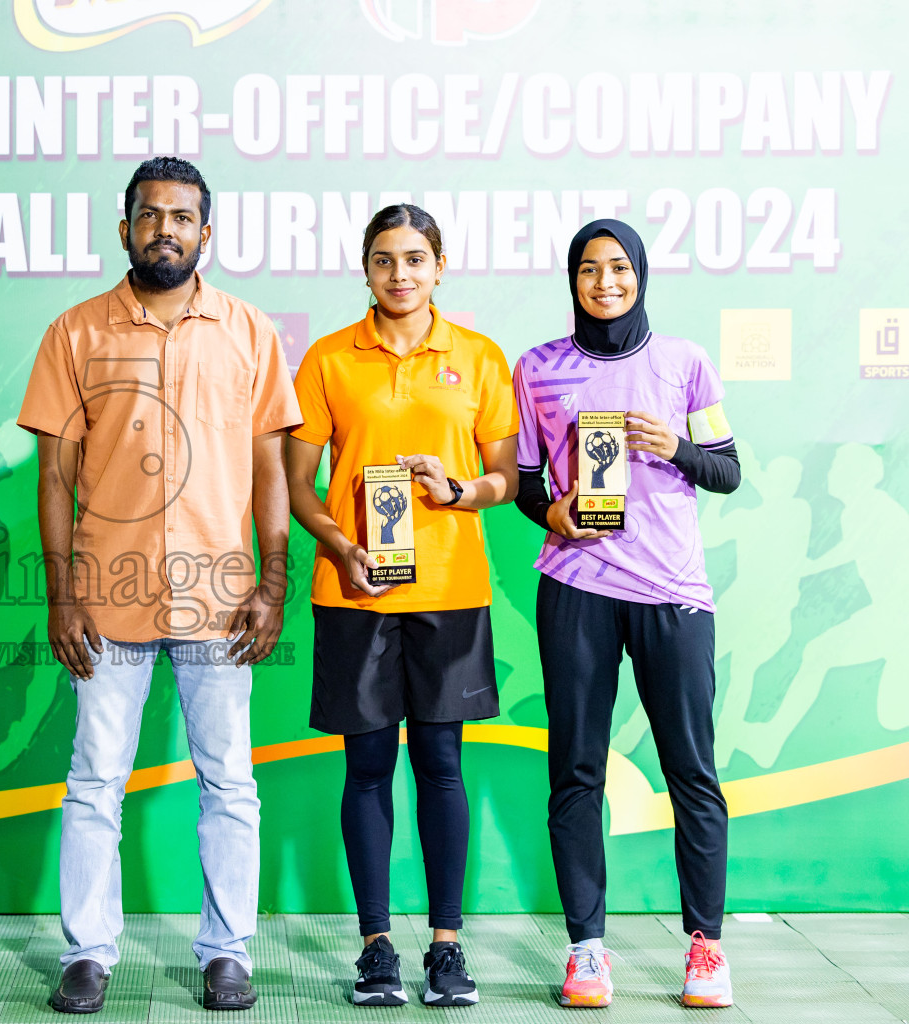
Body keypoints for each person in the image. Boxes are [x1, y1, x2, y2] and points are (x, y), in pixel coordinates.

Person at [17, 156, 301, 1013]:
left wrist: (273, 581)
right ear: (125, 227)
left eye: (182, 217)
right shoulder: (76, 333)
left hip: (222, 595)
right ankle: (89, 953)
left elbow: (270, 470)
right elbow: (53, 478)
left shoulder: (250, 331)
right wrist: (63, 596)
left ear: (206, 233)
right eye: (150, 215)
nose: (165, 229)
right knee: (95, 780)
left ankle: (228, 952)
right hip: (107, 596)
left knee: (229, 781)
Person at [285, 204, 519, 1008]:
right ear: (366, 269)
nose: (401, 274)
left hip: (451, 590)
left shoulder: (481, 358)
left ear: (440, 267)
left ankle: (446, 948)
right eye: (385, 260)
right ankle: (377, 945)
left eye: (415, 259)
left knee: (443, 767)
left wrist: (458, 491)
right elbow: (298, 489)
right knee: (368, 768)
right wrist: (338, 544)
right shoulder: (327, 359)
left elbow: (505, 480)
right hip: (355, 593)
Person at [512, 219, 741, 1009]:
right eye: (588, 269)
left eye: (617, 267)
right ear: (571, 279)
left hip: (672, 593)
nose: (604, 281)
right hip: (576, 586)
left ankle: (706, 947)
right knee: (575, 768)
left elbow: (729, 469)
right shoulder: (537, 368)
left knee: (692, 772)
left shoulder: (686, 363)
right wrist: (555, 515)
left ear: (640, 272)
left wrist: (674, 447)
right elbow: (526, 482)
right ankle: (585, 952)